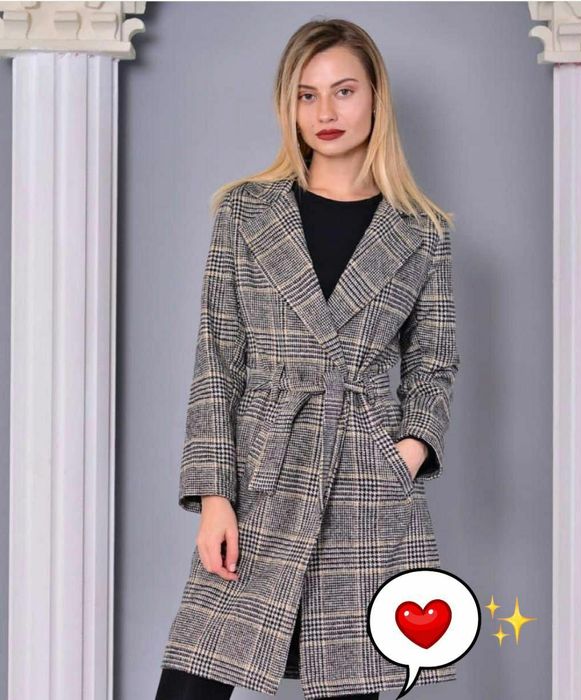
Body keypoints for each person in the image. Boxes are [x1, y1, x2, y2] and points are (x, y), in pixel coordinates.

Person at [156, 17, 460, 700]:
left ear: (375, 98)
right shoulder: (245, 212)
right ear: (288, 107)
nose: (326, 111)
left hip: (363, 482)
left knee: (347, 684)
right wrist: (214, 497)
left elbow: (434, 362)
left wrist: (406, 453)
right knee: (190, 683)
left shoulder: (422, 232)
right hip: (264, 473)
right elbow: (217, 360)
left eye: (343, 91)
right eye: (307, 94)